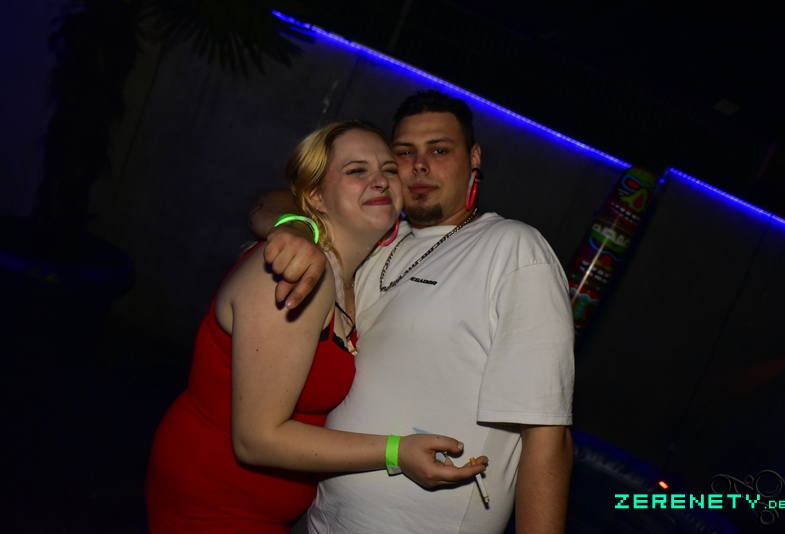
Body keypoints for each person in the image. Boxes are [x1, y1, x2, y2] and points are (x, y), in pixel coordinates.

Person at [251, 91, 575, 533]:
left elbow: (548, 435)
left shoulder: (514, 249)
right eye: (404, 153)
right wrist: (298, 228)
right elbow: (270, 201)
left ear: (474, 158)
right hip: (321, 521)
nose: (420, 166)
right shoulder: (377, 234)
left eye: (439, 151)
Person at [146, 120, 487, 533]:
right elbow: (255, 440)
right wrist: (396, 452)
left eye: (388, 170)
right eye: (357, 170)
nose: (380, 180)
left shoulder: (357, 271)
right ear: (316, 196)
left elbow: (270, 201)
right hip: (211, 502)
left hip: (263, 511)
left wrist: (295, 224)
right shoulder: (295, 274)